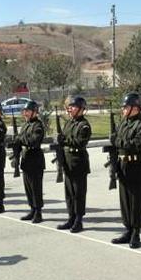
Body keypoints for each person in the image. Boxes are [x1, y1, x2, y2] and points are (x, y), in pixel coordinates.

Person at [110, 93, 141, 249]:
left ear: (135, 108)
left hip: (137, 167)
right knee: (125, 201)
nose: (123, 109)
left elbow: (136, 145)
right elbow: (117, 146)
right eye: (123, 106)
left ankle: (136, 232)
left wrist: (117, 141)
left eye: (126, 107)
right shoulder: (123, 123)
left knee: (136, 202)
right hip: (123, 166)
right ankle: (127, 229)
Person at [57, 96, 92, 233]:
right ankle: (71, 217)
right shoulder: (69, 123)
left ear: (81, 109)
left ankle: (79, 220)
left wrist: (65, 140)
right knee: (69, 193)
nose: (70, 109)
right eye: (69, 107)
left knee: (78, 193)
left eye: (73, 107)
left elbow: (80, 141)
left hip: (78, 162)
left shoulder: (84, 125)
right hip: (67, 161)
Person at [16, 100, 45, 223]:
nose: (25, 113)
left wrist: (20, 139)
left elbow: (33, 141)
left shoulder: (38, 126)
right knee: (28, 187)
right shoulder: (26, 125)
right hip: (26, 159)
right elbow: (20, 139)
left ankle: (38, 212)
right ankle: (32, 209)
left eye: (27, 111)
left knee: (35, 188)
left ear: (34, 112)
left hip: (35, 160)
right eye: (24, 111)